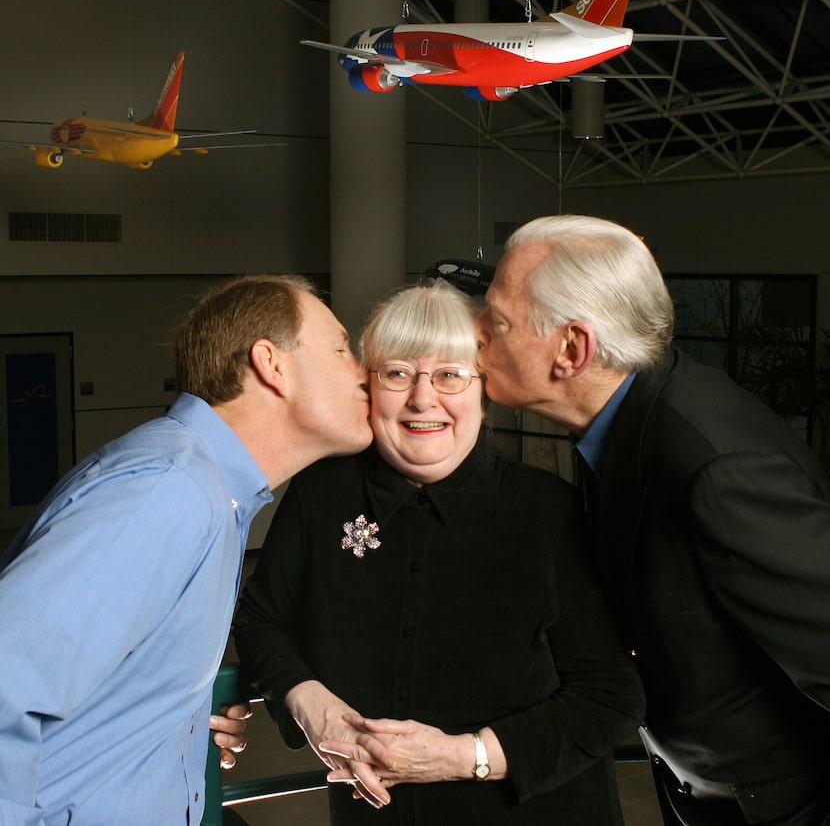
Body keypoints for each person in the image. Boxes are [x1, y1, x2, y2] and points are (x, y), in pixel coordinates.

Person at [233, 280, 645, 825]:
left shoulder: (548, 511)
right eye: (397, 373)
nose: (422, 399)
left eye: (450, 375)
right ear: (368, 386)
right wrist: (308, 702)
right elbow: (262, 618)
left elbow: (611, 696)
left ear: (482, 388)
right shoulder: (322, 494)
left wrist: (463, 756)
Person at [474, 214, 830, 826]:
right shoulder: (622, 421)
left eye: (498, 321)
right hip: (712, 796)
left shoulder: (717, 466)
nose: (475, 331)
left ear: (572, 350)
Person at [0, 274, 373, 826]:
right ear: (273, 365)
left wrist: (181, 721)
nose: (365, 374)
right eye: (343, 350)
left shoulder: (214, 492)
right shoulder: (169, 491)